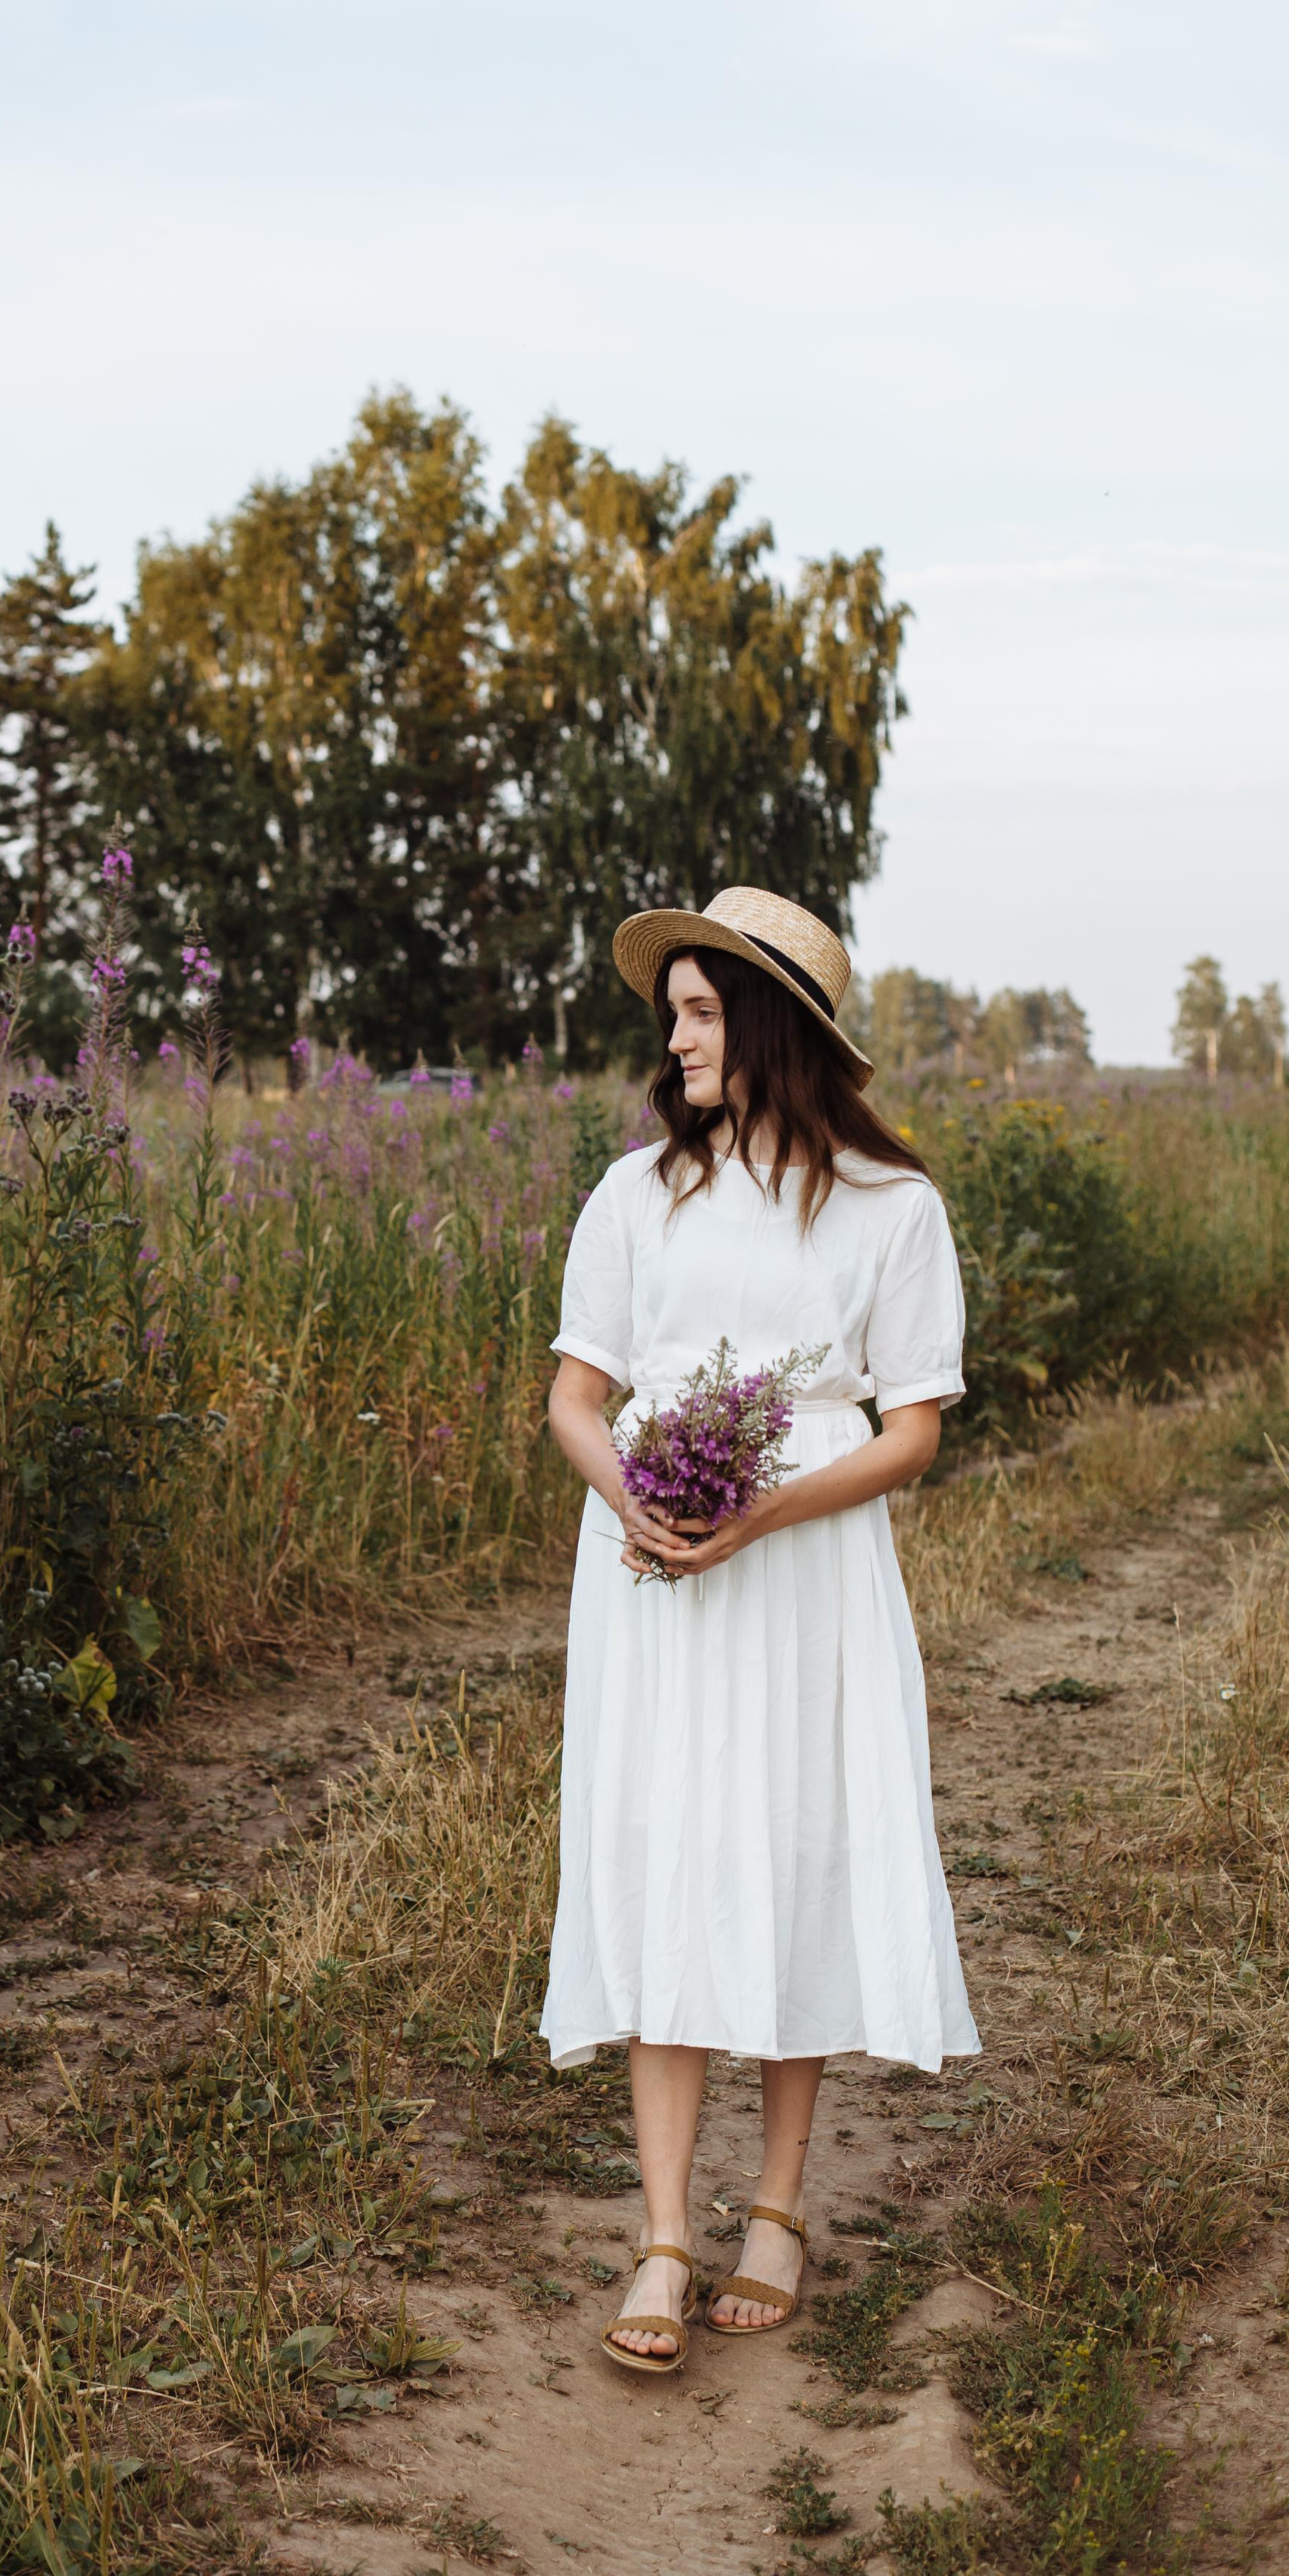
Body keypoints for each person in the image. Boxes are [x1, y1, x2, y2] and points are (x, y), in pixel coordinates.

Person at [542, 887, 979, 2376]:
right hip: (650, 1567)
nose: (672, 1040)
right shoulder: (630, 1195)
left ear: (772, 1023)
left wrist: (757, 1515)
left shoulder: (888, 1209)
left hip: (806, 1569)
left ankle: (776, 2209)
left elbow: (910, 1427)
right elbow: (574, 1399)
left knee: (792, 1852)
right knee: (666, 1857)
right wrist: (640, 1506)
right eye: (667, 1013)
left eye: (699, 1011)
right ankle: (663, 2237)